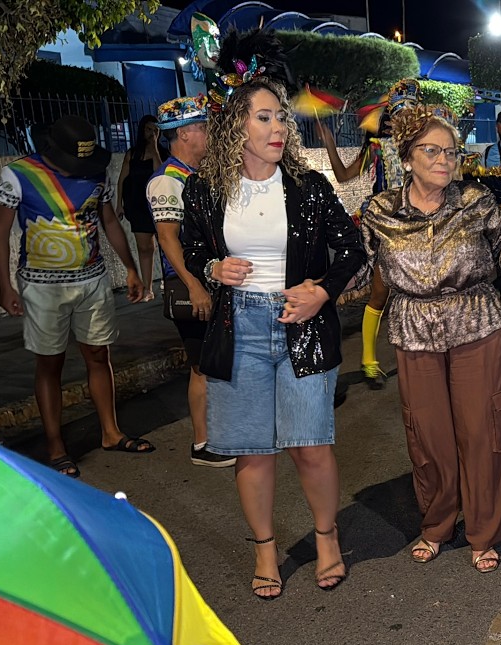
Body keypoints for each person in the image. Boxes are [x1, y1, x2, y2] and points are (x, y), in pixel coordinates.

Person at [180, 32, 366, 598]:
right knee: (253, 450)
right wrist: (214, 269)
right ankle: (264, 550)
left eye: (282, 117)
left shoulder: (307, 186)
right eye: (265, 117)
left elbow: (353, 251)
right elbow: (192, 248)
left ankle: (326, 538)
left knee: (311, 445)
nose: (280, 127)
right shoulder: (206, 191)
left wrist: (322, 292)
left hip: (300, 326)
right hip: (239, 329)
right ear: (239, 125)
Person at [360, 107, 501, 573]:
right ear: (407, 157)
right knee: (426, 433)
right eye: (432, 151)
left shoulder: (478, 201)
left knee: (483, 429)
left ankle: (484, 533)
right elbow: (357, 269)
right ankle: (436, 524)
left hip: (476, 322)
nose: (445, 160)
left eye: (450, 152)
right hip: (413, 328)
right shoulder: (381, 212)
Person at [0, 115, 153, 477]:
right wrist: (5, 285)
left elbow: (109, 221)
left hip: (93, 279)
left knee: (99, 354)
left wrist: (129, 267)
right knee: (50, 363)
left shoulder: (97, 173)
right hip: (41, 285)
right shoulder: (17, 176)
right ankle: (56, 447)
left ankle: (111, 433)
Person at [146, 95, 233, 468]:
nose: (210, 133)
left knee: (217, 359)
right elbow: (168, 239)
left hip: (212, 279)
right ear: (184, 133)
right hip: (191, 285)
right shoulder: (168, 181)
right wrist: (195, 285)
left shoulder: (197, 174)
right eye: (203, 126)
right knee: (201, 364)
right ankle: (203, 443)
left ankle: (224, 433)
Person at [317, 78, 421, 390]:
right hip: (388, 231)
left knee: (420, 297)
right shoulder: (377, 147)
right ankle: (369, 361)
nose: (404, 120)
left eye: (410, 114)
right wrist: (330, 144)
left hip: (421, 229)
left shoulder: (427, 148)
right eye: (400, 114)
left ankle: (420, 358)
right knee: (379, 294)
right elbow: (343, 175)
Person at [117, 114, 163, 301]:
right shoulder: (132, 154)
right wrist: (119, 204)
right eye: (148, 129)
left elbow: (161, 174)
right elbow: (121, 180)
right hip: (137, 204)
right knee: (145, 248)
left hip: (157, 204)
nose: (151, 133)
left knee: (166, 245)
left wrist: (155, 149)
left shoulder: (162, 152)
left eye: (155, 130)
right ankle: (148, 288)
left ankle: (170, 281)